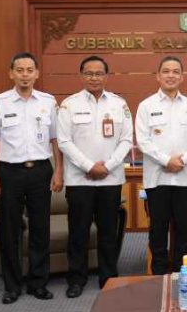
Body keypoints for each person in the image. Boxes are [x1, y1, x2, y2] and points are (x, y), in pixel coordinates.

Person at [0, 52, 64, 304]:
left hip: (41, 171)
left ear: (37, 73)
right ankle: (12, 285)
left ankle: (38, 283)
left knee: (41, 228)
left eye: (30, 70)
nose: (25, 75)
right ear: (11, 73)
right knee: (10, 229)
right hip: (10, 172)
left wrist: (59, 170)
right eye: (20, 70)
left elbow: (56, 140)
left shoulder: (48, 102)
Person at [57, 55, 133, 296]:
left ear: (106, 76)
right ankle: (76, 279)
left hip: (110, 180)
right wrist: (89, 166)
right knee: (78, 233)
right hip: (80, 181)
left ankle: (108, 277)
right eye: (89, 73)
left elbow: (126, 140)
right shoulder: (69, 105)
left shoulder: (119, 104)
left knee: (108, 233)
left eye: (99, 73)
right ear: (81, 76)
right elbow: (64, 142)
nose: (94, 78)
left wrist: (107, 166)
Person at [135, 56, 187, 274]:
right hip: (158, 179)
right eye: (166, 71)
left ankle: (181, 273)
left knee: (184, 230)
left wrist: (182, 160)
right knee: (158, 228)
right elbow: (143, 141)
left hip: (185, 178)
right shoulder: (146, 106)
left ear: (182, 77)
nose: (171, 75)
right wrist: (167, 160)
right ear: (158, 76)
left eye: (176, 71)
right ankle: (158, 273)